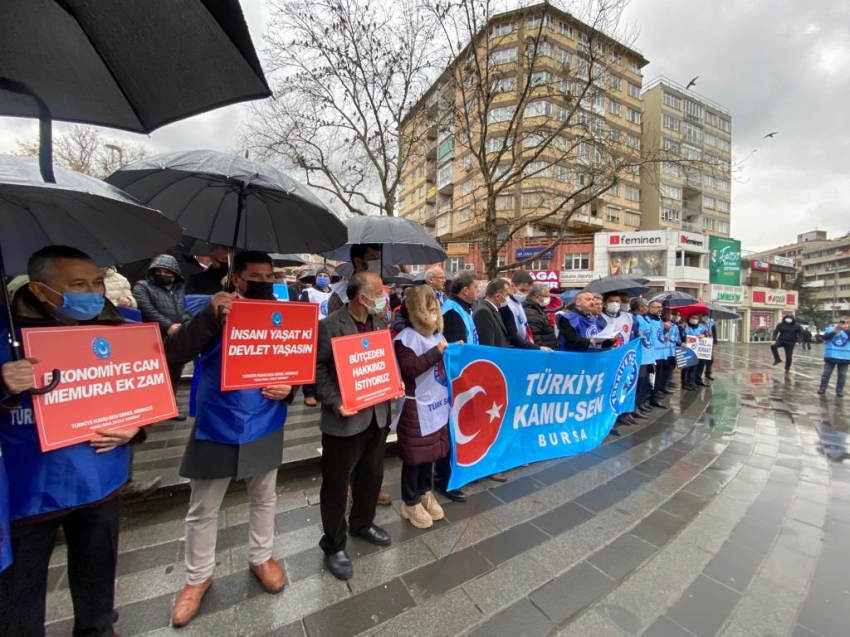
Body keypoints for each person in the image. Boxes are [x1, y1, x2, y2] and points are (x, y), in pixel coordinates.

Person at [0, 246, 145, 637]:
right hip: (29, 490)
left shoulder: (123, 328)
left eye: (97, 281)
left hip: (101, 479)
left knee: (98, 576)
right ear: (42, 290)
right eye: (78, 284)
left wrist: (137, 425)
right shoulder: (7, 334)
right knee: (20, 595)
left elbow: (143, 387)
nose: (93, 292)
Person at [164, 251, 292, 628]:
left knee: (265, 496)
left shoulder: (283, 314)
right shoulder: (212, 310)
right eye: (257, 275)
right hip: (218, 419)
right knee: (204, 506)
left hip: (266, 418)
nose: (266, 282)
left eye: (270, 275)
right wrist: (209, 316)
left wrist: (290, 388)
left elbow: (295, 361)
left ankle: (261, 556)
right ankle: (197, 578)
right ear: (237, 279)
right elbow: (176, 351)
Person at [315, 272, 394, 580]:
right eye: (379, 292)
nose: (384, 297)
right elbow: (318, 369)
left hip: (377, 415)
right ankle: (334, 544)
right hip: (344, 420)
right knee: (336, 484)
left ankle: (363, 522)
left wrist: (392, 381)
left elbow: (383, 362)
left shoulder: (379, 324)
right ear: (362, 297)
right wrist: (335, 400)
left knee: (371, 475)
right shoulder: (330, 326)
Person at [393, 286, 449, 529]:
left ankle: (425, 490)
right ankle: (410, 500)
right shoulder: (405, 338)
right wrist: (436, 353)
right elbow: (411, 369)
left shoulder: (437, 335)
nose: (434, 311)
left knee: (431, 452)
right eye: (429, 307)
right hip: (416, 405)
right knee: (414, 455)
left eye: (435, 306)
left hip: (438, 403)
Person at [434, 270, 479, 502]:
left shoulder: (462, 309)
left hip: (466, 381)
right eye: (476, 287)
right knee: (450, 432)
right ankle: (443, 480)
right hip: (455, 383)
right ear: (465, 290)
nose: (478, 290)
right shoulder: (452, 312)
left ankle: (456, 472)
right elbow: (454, 351)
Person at [470, 279, 512, 480]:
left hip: (497, 374)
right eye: (507, 294)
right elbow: (487, 348)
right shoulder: (484, 312)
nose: (508, 298)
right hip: (490, 376)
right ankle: (485, 464)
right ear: (498, 295)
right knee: (486, 420)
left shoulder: (493, 310)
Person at [133, 254, 188, 407]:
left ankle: (169, 404)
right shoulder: (142, 286)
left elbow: (188, 307)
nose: (163, 274)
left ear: (175, 273)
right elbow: (146, 308)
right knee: (152, 374)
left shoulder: (182, 289)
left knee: (174, 372)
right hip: (152, 338)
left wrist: (184, 325)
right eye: (159, 271)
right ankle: (150, 405)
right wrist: (168, 325)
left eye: (167, 271)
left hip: (177, 337)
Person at [300, 269, 333, 408]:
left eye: (325, 276)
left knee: (326, 361)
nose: (323, 278)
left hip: (330, 330)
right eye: (320, 276)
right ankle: (309, 393)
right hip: (314, 330)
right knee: (311, 361)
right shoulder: (308, 293)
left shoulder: (334, 293)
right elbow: (303, 312)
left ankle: (322, 390)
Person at [645, 300, 670, 409]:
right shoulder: (647, 319)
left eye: (661, 307)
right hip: (651, 353)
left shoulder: (660, 319)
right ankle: (647, 398)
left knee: (658, 377)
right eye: (657, 307)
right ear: (650, 308)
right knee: (650, 377)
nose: (660, 309)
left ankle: (654, 396)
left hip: (661, 352)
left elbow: (659, 334)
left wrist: (665, 331)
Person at [817, 318, 849, 397]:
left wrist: (846, 330)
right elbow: (824, 338)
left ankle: (839, 391)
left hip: (844, 357)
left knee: (842, 375)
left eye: (845, 323)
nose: (842, 324)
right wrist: (834, 332)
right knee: (826, 373)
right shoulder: (831, 329)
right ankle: (822, 388)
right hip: (831, 356)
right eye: (841, 322)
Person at [524, 282, 557, 349]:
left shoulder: (538, 310)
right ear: (537, 297)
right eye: (547, 296)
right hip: (542, 353)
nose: (548, 299)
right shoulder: (532, 313)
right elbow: (535, 337)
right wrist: (539, 350)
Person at [681, 314, 709, 391]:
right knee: (686, 367)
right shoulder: (685, 326)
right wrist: (682, 330)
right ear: (689, 318)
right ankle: (684, 383)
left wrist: (704, 335)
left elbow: (707, 336)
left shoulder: (702, 327)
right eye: (692, 318)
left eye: (696, 318)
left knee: (694, 367)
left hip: (697, 349)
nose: (694, 319)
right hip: (686, 348)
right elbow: (682, 336)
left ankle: (691, 382)